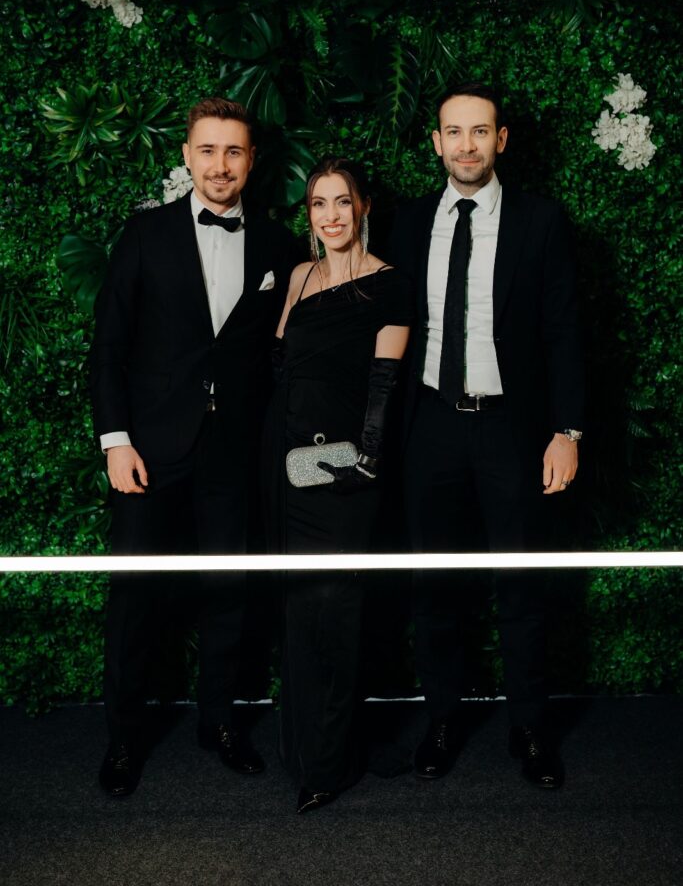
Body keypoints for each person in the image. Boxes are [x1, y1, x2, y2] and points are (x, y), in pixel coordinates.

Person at [90, 97, 299, 796]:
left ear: (251, 161)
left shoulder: (277, 246)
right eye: (207, 150)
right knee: (134, 597)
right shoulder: (144, 234)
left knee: (228, 593)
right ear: (186, 156)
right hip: (149, 452)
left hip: (234, 453)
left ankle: (221, 725)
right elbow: (109, 348)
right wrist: (116, 442)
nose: (220, 165)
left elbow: (282, 358)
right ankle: (124, 740)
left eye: (233, 151)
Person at [389, 82, 584, 789]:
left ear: (500, 140)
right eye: (453, 132)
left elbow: (564, 332)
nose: (466, 145)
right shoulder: (408, 222)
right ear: (435, 142)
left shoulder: (541, 221)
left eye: (480, 132)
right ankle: (442, 720)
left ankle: (529, 728)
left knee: (521, 583)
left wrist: (566, 430)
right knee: (432, 584)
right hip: (430, 424)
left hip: (511, 427)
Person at [265, 158, 413, 813]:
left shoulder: (390, 284)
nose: (330, 215)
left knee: (336, 610)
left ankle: (330, 763)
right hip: (285, 466)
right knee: (299, 610)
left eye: (342, 202)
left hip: (345, 473)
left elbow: (383, 388)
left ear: (363, 207)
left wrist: (364, 464)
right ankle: (306, 752)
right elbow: (281, 366)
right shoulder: (299, 277)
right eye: (319, 204)